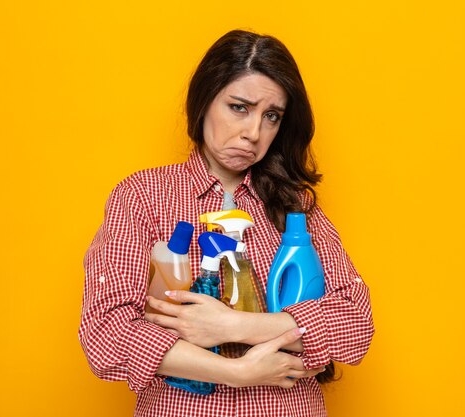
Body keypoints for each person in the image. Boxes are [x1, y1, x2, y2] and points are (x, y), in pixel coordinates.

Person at [79, 29, 374, 417]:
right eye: (239, 107)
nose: (253, 133)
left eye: (271, 117)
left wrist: (232, 326)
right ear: (203, 102)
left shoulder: (295, 207)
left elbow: (355, 323)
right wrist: (235, 372)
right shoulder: (143, 197)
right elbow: (107, 333)